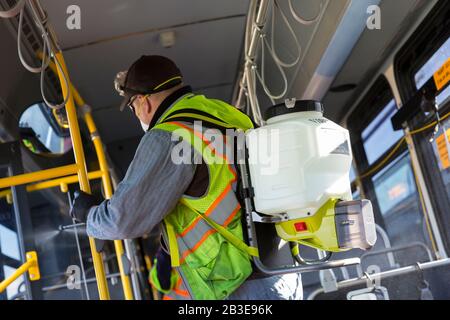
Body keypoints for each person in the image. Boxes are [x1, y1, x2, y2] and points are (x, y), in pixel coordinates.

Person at [70, 55, 302, 300]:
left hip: (240, 282)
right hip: (283, 266)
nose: (136, 112)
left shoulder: (167, 136)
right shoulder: (227, 114)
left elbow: (122, 220)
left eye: (133, 106)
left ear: (144, 102)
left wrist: (89, 214)